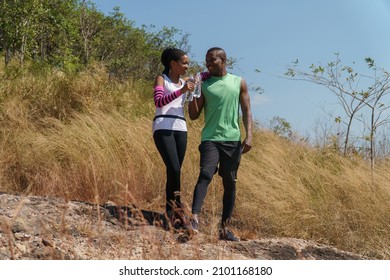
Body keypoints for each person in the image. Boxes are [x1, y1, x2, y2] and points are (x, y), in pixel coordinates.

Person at [188, 47, 252, 241]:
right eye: (206, 61)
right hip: (210, 138)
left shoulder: (238, 82)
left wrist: (249, 136)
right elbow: (193, 115)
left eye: (212, 60)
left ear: (224, 61)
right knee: (206, 173)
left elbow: (247, 111)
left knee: (230, 182)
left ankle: (224, 229)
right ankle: (194, 219)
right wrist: (195, 90)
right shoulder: (204, 84)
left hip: (232, 140)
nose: (208, 64)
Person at [152, 47, 195, 227]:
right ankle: (177, 210)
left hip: (181, 127)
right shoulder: (162, 79)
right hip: (163, 126)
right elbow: (158, 101)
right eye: (184, 63)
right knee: (174, 168)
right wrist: (182, 90)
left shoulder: (186, 81)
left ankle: (171, 211)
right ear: (173, 64)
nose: (187, 66)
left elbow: (204, 77)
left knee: (175, 171)